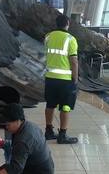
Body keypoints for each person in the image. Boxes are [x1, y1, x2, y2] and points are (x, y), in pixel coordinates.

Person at [43, 14, 79, 144]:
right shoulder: (70, 39)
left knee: (50, 104)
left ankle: (48, 131)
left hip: (50, 77)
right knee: (65, 106)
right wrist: (75, 79)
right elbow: (74, 61)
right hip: (65, 79)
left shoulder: (48, 37)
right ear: (67, 23)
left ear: (56, 24)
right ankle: (62, 134)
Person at [0, 103, 54, 174]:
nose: (6, 127)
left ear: (18, 120)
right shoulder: (28, 125)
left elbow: (16, 168)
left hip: (39, 170)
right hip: (43, 164)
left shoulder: (22, 141)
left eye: (8, 125)